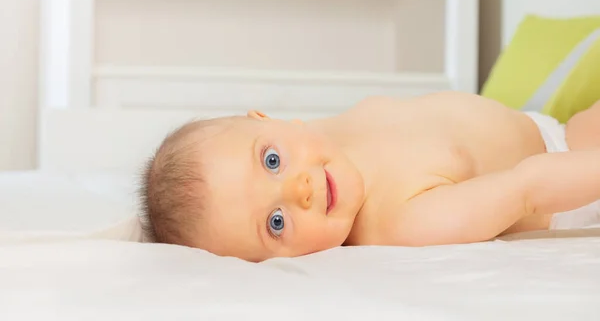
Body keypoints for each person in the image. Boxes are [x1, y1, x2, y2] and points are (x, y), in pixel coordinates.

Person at [139, 91, 600, 262]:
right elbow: (526, 189)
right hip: (571, 182)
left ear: (268, 120)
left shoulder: (329, 137)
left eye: (272, 161)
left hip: (549, 128)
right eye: (276, 222)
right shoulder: (396, 221)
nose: (298, 189)